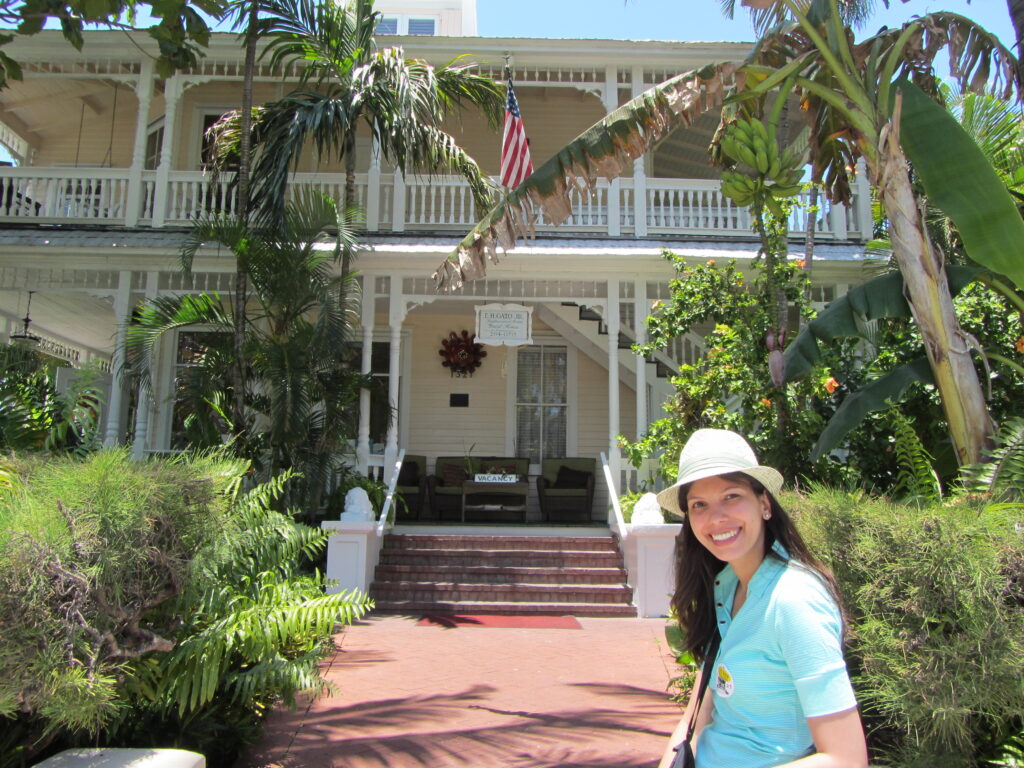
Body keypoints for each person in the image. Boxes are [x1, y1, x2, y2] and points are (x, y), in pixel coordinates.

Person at [656, 429, 867, 768]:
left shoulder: (794, 600)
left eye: (731, 496)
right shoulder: (727, 588)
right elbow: (695, 718)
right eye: (699, 505)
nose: (716, 517)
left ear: (764, 504)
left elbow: (846, 759)